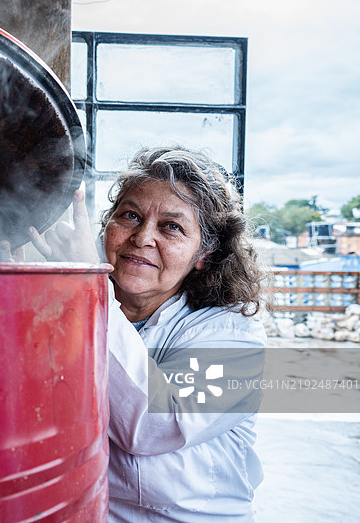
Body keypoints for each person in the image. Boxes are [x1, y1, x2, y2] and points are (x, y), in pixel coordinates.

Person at [21, 146, 267, 522]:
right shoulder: (70, 305)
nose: (142, 237)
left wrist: (88, 283)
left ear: (203, 253)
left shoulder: (234, 336)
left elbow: (155, 424)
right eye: (130, 216)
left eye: (171, 226)